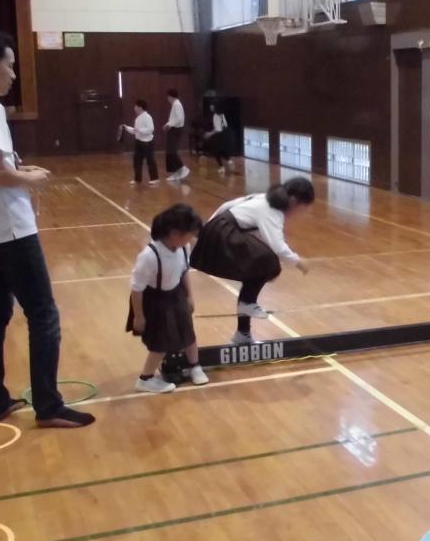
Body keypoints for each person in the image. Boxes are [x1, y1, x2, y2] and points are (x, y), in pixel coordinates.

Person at [0, 28, 94, 428]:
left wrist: (17, 168)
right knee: (43, 314)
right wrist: (29, 180)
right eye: (10, 66)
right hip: (10, 230)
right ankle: (48, 404)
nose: (14, 75)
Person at [190, 177, 314, 345]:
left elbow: (226, 206)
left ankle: (243, 333)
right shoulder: (273, 211)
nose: (301, 213)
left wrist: (208, 229)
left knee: (255, 271)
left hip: (219, 230)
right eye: (302, 208)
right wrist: (299, 262)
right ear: (293, 201)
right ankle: (247, 304)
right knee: (270, 263)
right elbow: (278, 247)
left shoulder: (262, 198)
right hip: (223, 233)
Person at [126, 204, 209, 393]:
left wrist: (189, 296)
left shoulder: (183, 247)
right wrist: (139, 316)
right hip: (156, 300)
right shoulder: (149, 256)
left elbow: (184, 271)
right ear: (174, 233)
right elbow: (137, 288)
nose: (193, 238)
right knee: (161, 342)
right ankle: (145, 379)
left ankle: (194, 366)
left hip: (176, 293)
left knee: (188, 331)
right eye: (190, 234)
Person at [121, 100, 158, 186]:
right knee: (137, 160)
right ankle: (137, 179)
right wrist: (126, 128)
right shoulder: (138, 118)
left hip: (148, 142)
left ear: (140, 107)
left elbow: (151, 129)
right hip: (138, 141)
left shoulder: (147, 117)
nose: (134, 108)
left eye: (135, 106)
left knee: (150, 160)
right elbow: (135, 131)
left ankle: (154, 179)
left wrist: (139, 130)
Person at [202, 103, 236, 175]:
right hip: (225, 135)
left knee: (216, 152)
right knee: (221, 150)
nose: (210, 107)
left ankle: (222, 167)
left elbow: (217, 129)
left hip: (219, 136)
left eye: (212, 106)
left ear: (215, 107)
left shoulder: (215, 116)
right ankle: (229, 161)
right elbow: (225, 125)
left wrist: (209, 134)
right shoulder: (222, 114)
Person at [163, 89, 189, 182]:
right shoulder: (175, 104)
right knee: (169, 151)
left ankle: (182, 168)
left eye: (168, 96)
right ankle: (174, 172)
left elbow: (179, 118)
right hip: (173, 129)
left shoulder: (177, 104)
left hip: (175, 130)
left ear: (170, 96)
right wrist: (167, 124)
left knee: (172, 151)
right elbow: (174, 118)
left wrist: (169, 125)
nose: (167, 99)